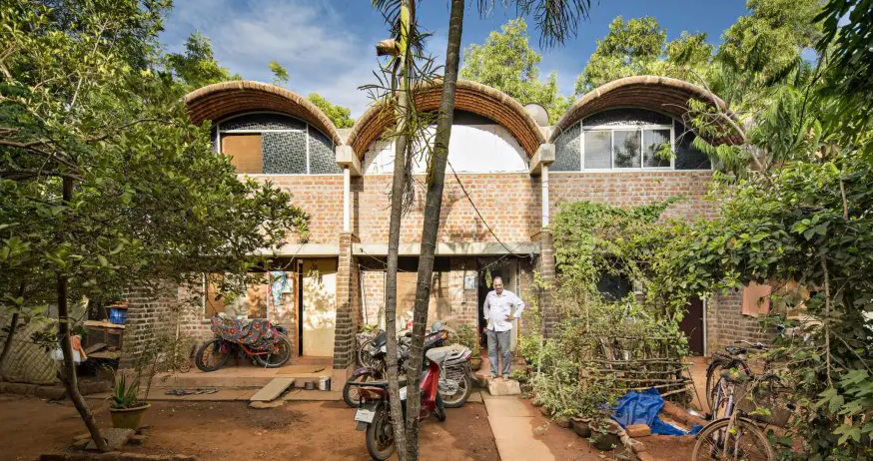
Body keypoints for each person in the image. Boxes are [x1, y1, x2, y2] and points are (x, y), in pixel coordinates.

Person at [482, 276, 525, 380]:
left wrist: (514, 316)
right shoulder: (490, 295)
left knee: (505, 352)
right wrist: (487, 317)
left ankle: (505, 373)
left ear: (503, 285)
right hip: (491, 328)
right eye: (496, 285)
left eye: (499, 285)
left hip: (504, 328)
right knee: (492, 351)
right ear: (493, 286)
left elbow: (521, 304)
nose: (498, 287)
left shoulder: (509, 295)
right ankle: (494, 373)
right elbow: (485, 306)